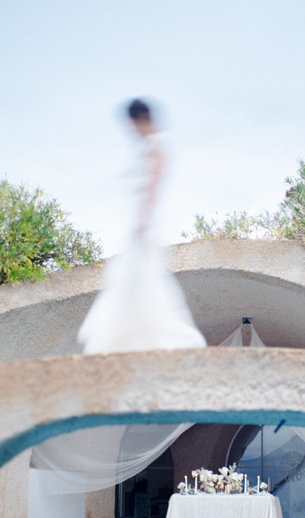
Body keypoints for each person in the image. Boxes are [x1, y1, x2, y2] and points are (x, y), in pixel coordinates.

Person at [78, 98, 206, 353]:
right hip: (137, 221)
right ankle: (132, 338)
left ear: (140, 119)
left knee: (142, 276)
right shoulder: (146, 145)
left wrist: (142, 220)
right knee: (132, 276)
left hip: (145, 222)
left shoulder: (157, 143)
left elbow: (154, 182)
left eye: (132, 125)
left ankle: (155, 337)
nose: (132, 130)